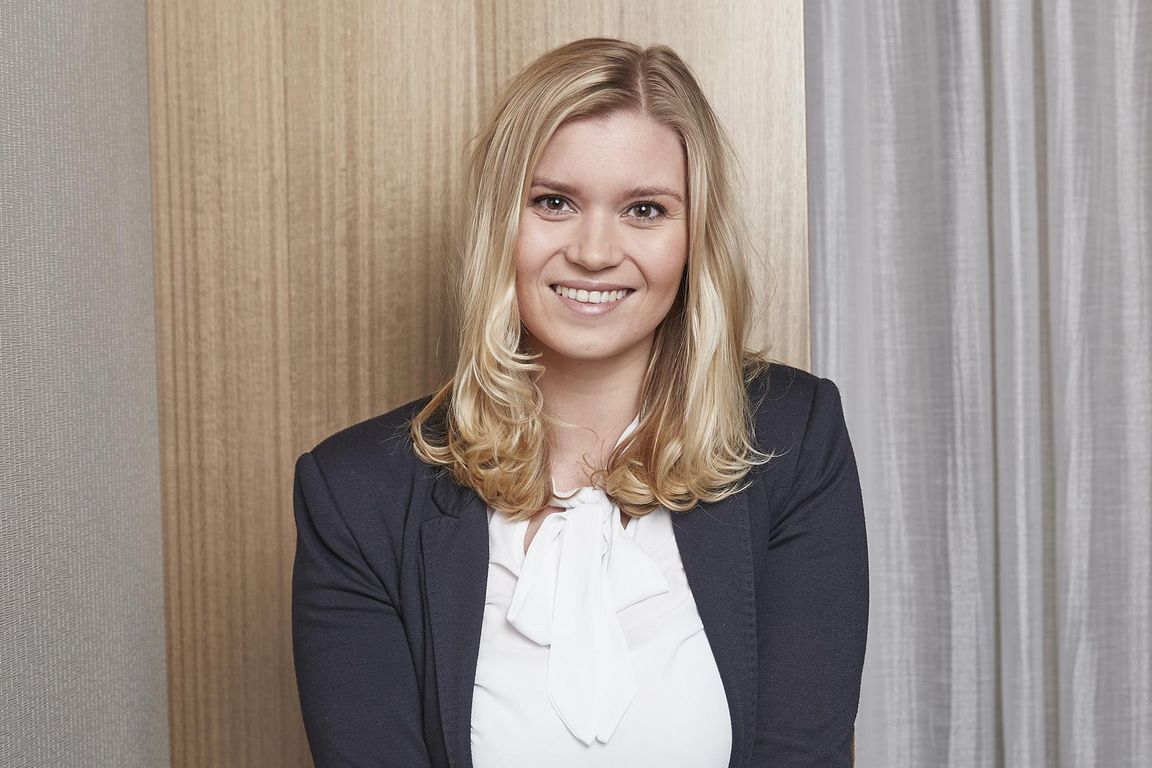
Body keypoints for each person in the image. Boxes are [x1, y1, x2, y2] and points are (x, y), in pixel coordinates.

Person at [291, 37, 867, 768]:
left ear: (695, 237)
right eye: (554, 202)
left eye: (645, 209)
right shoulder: (355, 494)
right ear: (501, 221)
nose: (595, 252)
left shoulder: (794, 439)